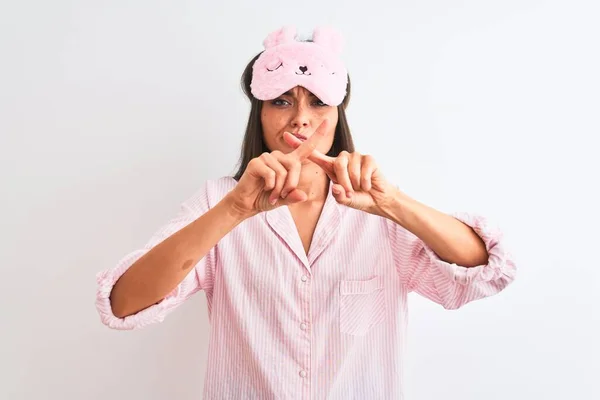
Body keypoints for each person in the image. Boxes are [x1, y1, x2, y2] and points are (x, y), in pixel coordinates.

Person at [95, 26, 516, 399]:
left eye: (318, 104)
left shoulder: (379, 209)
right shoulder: (219, 202)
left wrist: (391, 203)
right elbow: (124, 303)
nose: (300, 120)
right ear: (258, 114)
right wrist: (235, 209)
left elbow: (486, 269)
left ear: (338, 114)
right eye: (281, 102)